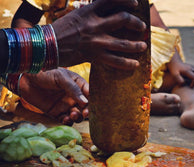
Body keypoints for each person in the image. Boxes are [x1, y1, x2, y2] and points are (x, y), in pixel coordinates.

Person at [3, 0, 194, 133]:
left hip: (124, 55)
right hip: (75, 57)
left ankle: (193, 105)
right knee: (73, 87)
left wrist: (175, 62)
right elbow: (23, 21)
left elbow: (152, 21)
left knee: (171, 71)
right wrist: (37, 57)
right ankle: (139, 104)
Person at [0, 0, 147, 124]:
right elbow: (23, 20)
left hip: (88, 56)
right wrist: (46, 44)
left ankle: (136, 101)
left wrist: (21, 79)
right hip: (64, 59)